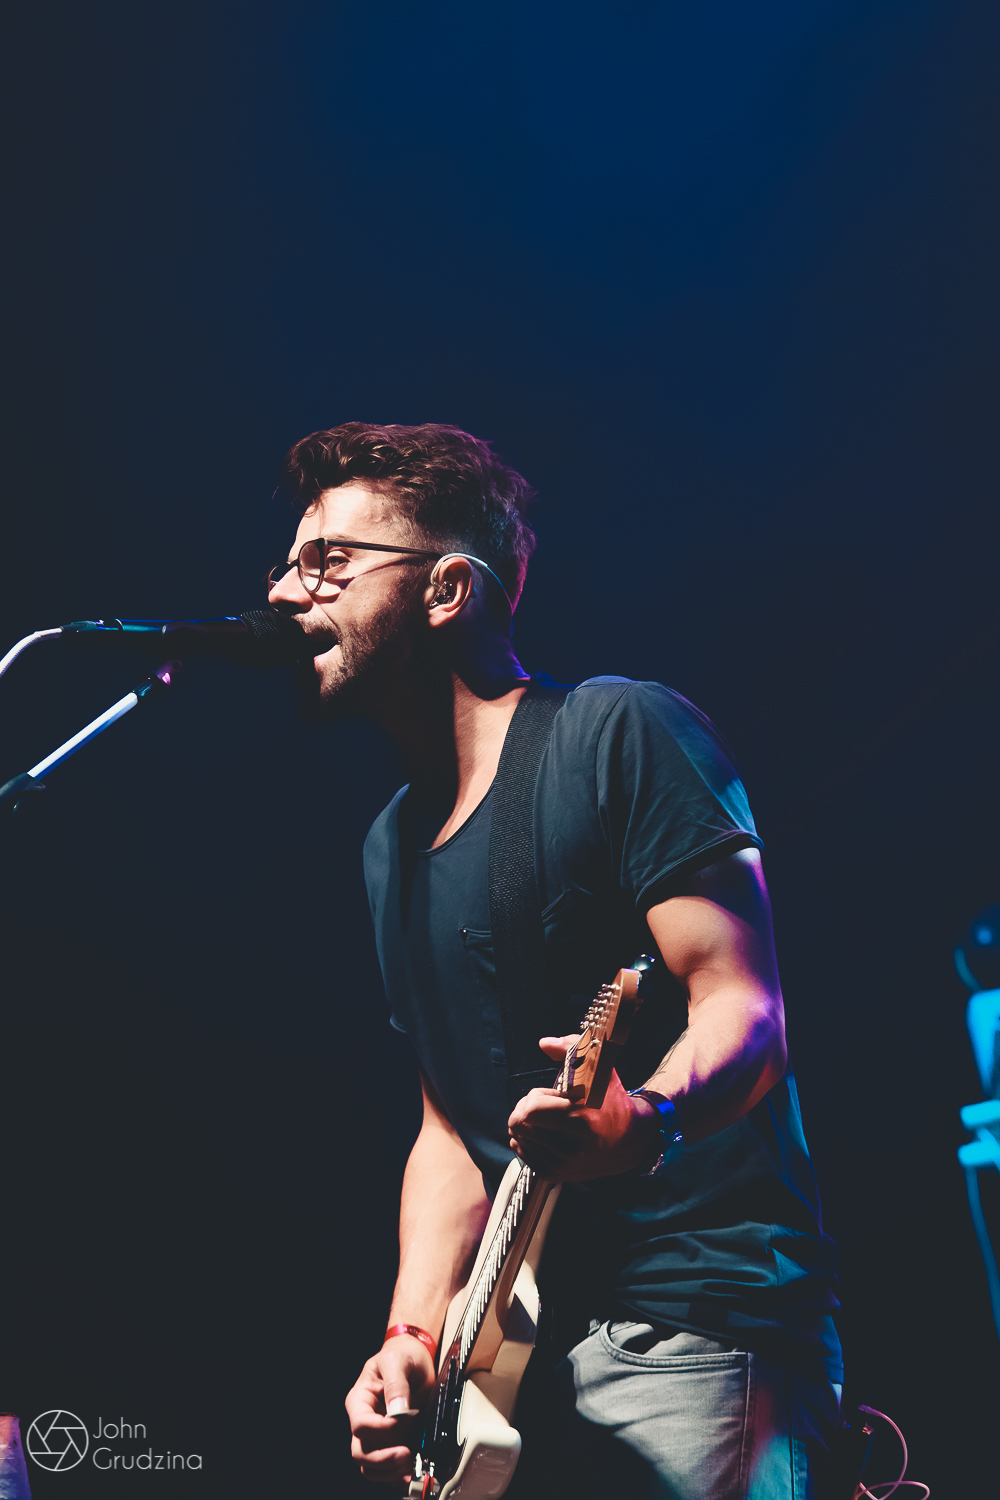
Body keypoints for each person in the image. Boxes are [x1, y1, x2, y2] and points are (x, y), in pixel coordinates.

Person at [267, 421, 843, 1499]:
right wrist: (411, 1332)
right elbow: (451, 1128)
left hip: (686, 1321)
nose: (286, 593)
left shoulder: (617, 732)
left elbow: (744, 1007)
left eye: (328, 562)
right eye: (288, 565)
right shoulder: (388, 845)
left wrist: (648, 1120)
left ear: (447, 589)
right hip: (516, 1369)